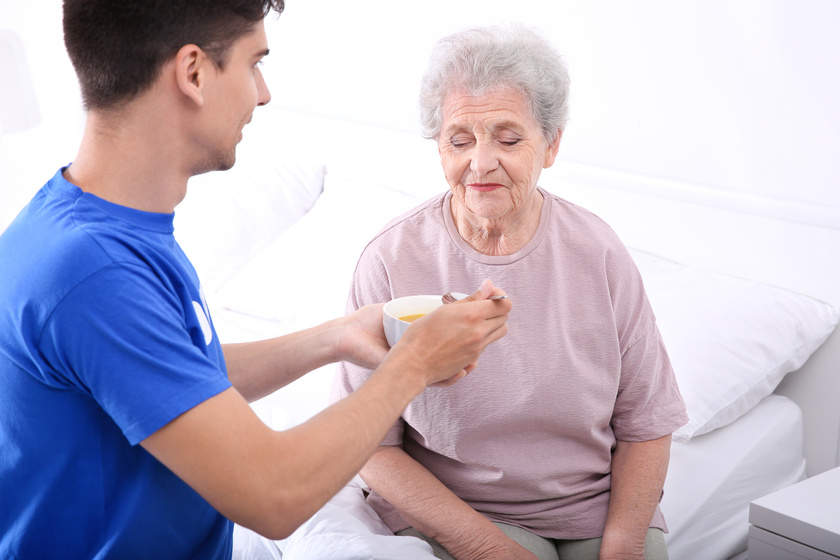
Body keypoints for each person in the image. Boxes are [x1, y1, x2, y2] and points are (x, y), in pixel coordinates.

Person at [0, 2, 513, 558]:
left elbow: (171, 375)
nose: (262, 94)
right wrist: (412, 364)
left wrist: (334, 337)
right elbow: (274, 496)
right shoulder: (95, 272)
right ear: (193, 72)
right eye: (253, 63)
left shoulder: (98, 223)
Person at [331, 24, 689, 560]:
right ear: (438, 146)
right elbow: (369, 448)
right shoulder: (390, 260)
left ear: (551, 143)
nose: (480, 162)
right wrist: (484, 545)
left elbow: (646, 421)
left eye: (508, 137)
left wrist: (623, 546)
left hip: (591, 505)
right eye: (459, 140)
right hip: (460, 507)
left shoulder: (601, 254)